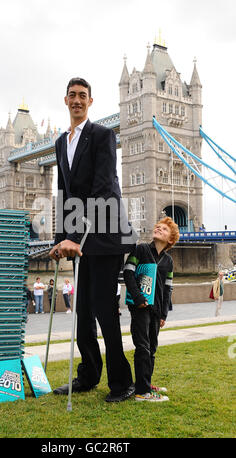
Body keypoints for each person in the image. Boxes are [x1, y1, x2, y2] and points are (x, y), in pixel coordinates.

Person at [49, 77, 134, 403]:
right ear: (66, 100)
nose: (77, 100)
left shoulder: (103, 135)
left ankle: (121, 383)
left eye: (83, 96)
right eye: (72, 95)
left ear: (90, 101)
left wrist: (75, 234)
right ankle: (88, 376)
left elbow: (102, 188)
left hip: (105, 233)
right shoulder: (60, 143)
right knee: (82, 313)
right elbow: (63, 193)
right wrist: (60, 239)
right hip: (78, 238)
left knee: (102, 309)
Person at [123, 217, 179, 402]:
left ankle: (145, 382)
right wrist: (138, 297)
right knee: (143, 347)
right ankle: (142, 392)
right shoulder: (141, 249)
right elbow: (128, 272)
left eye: (164, 229)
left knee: (152, 348)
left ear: (170, 240)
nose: (158, 229)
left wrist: (164, 314)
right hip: (140, 306)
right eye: (158, 227)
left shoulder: (168, 261)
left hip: (156, 310)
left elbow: (168, 288)